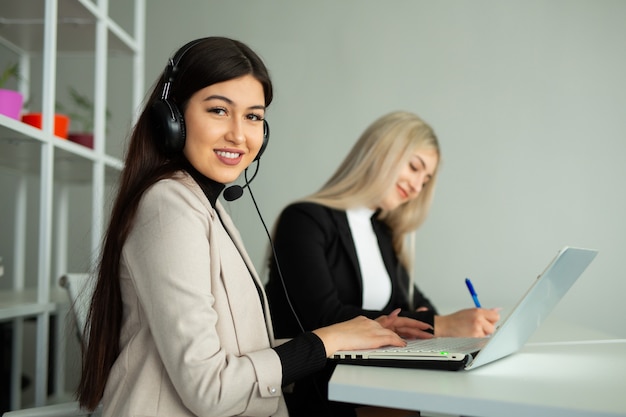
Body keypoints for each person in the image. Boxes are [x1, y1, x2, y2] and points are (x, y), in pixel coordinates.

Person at [76, 37, 433, 417]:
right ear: (172, 118)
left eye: (253, 116)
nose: (239, 134)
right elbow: (210, 388)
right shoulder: (169, 205)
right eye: (218, 110)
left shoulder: (206, 208)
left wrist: (353, 336)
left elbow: (236, 350)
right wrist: (325, 341)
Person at [265, 111, 501, 416]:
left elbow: (415, 304)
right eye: (415, 167)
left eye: (425, 179)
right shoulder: (304, 220)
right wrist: (440, 325)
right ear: (381, 154)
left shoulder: (382, 233)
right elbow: (322, 317)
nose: (418, 187)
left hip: (370, 380)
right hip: (313, 387)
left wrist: (455, 322)